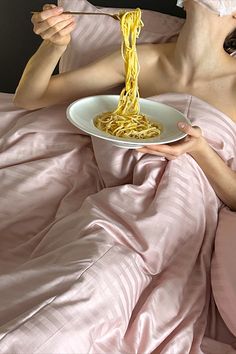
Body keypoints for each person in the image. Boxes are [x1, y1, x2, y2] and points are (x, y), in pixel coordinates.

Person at [13, 1, 236, 210]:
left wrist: (200, 149)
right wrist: (54, 45)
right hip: (121, 189)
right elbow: (30, 97)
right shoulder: (138, 60)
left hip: (185, 202)